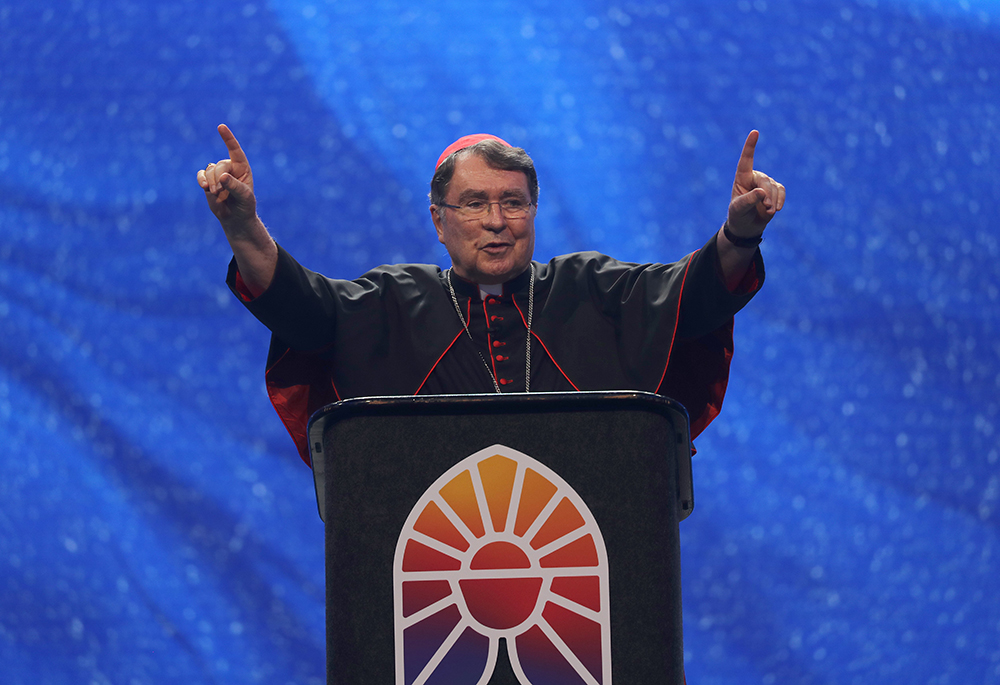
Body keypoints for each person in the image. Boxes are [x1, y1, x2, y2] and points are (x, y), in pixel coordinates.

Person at [198, 126, 785, 464]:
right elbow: (300, 307)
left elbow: (698, 294)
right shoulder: (388, 302)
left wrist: (740, 232)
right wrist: (243, 227)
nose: (496, 221)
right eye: (475, 203)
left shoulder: (593, 289)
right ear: (439, 219)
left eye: (513, 202)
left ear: (533, 212)